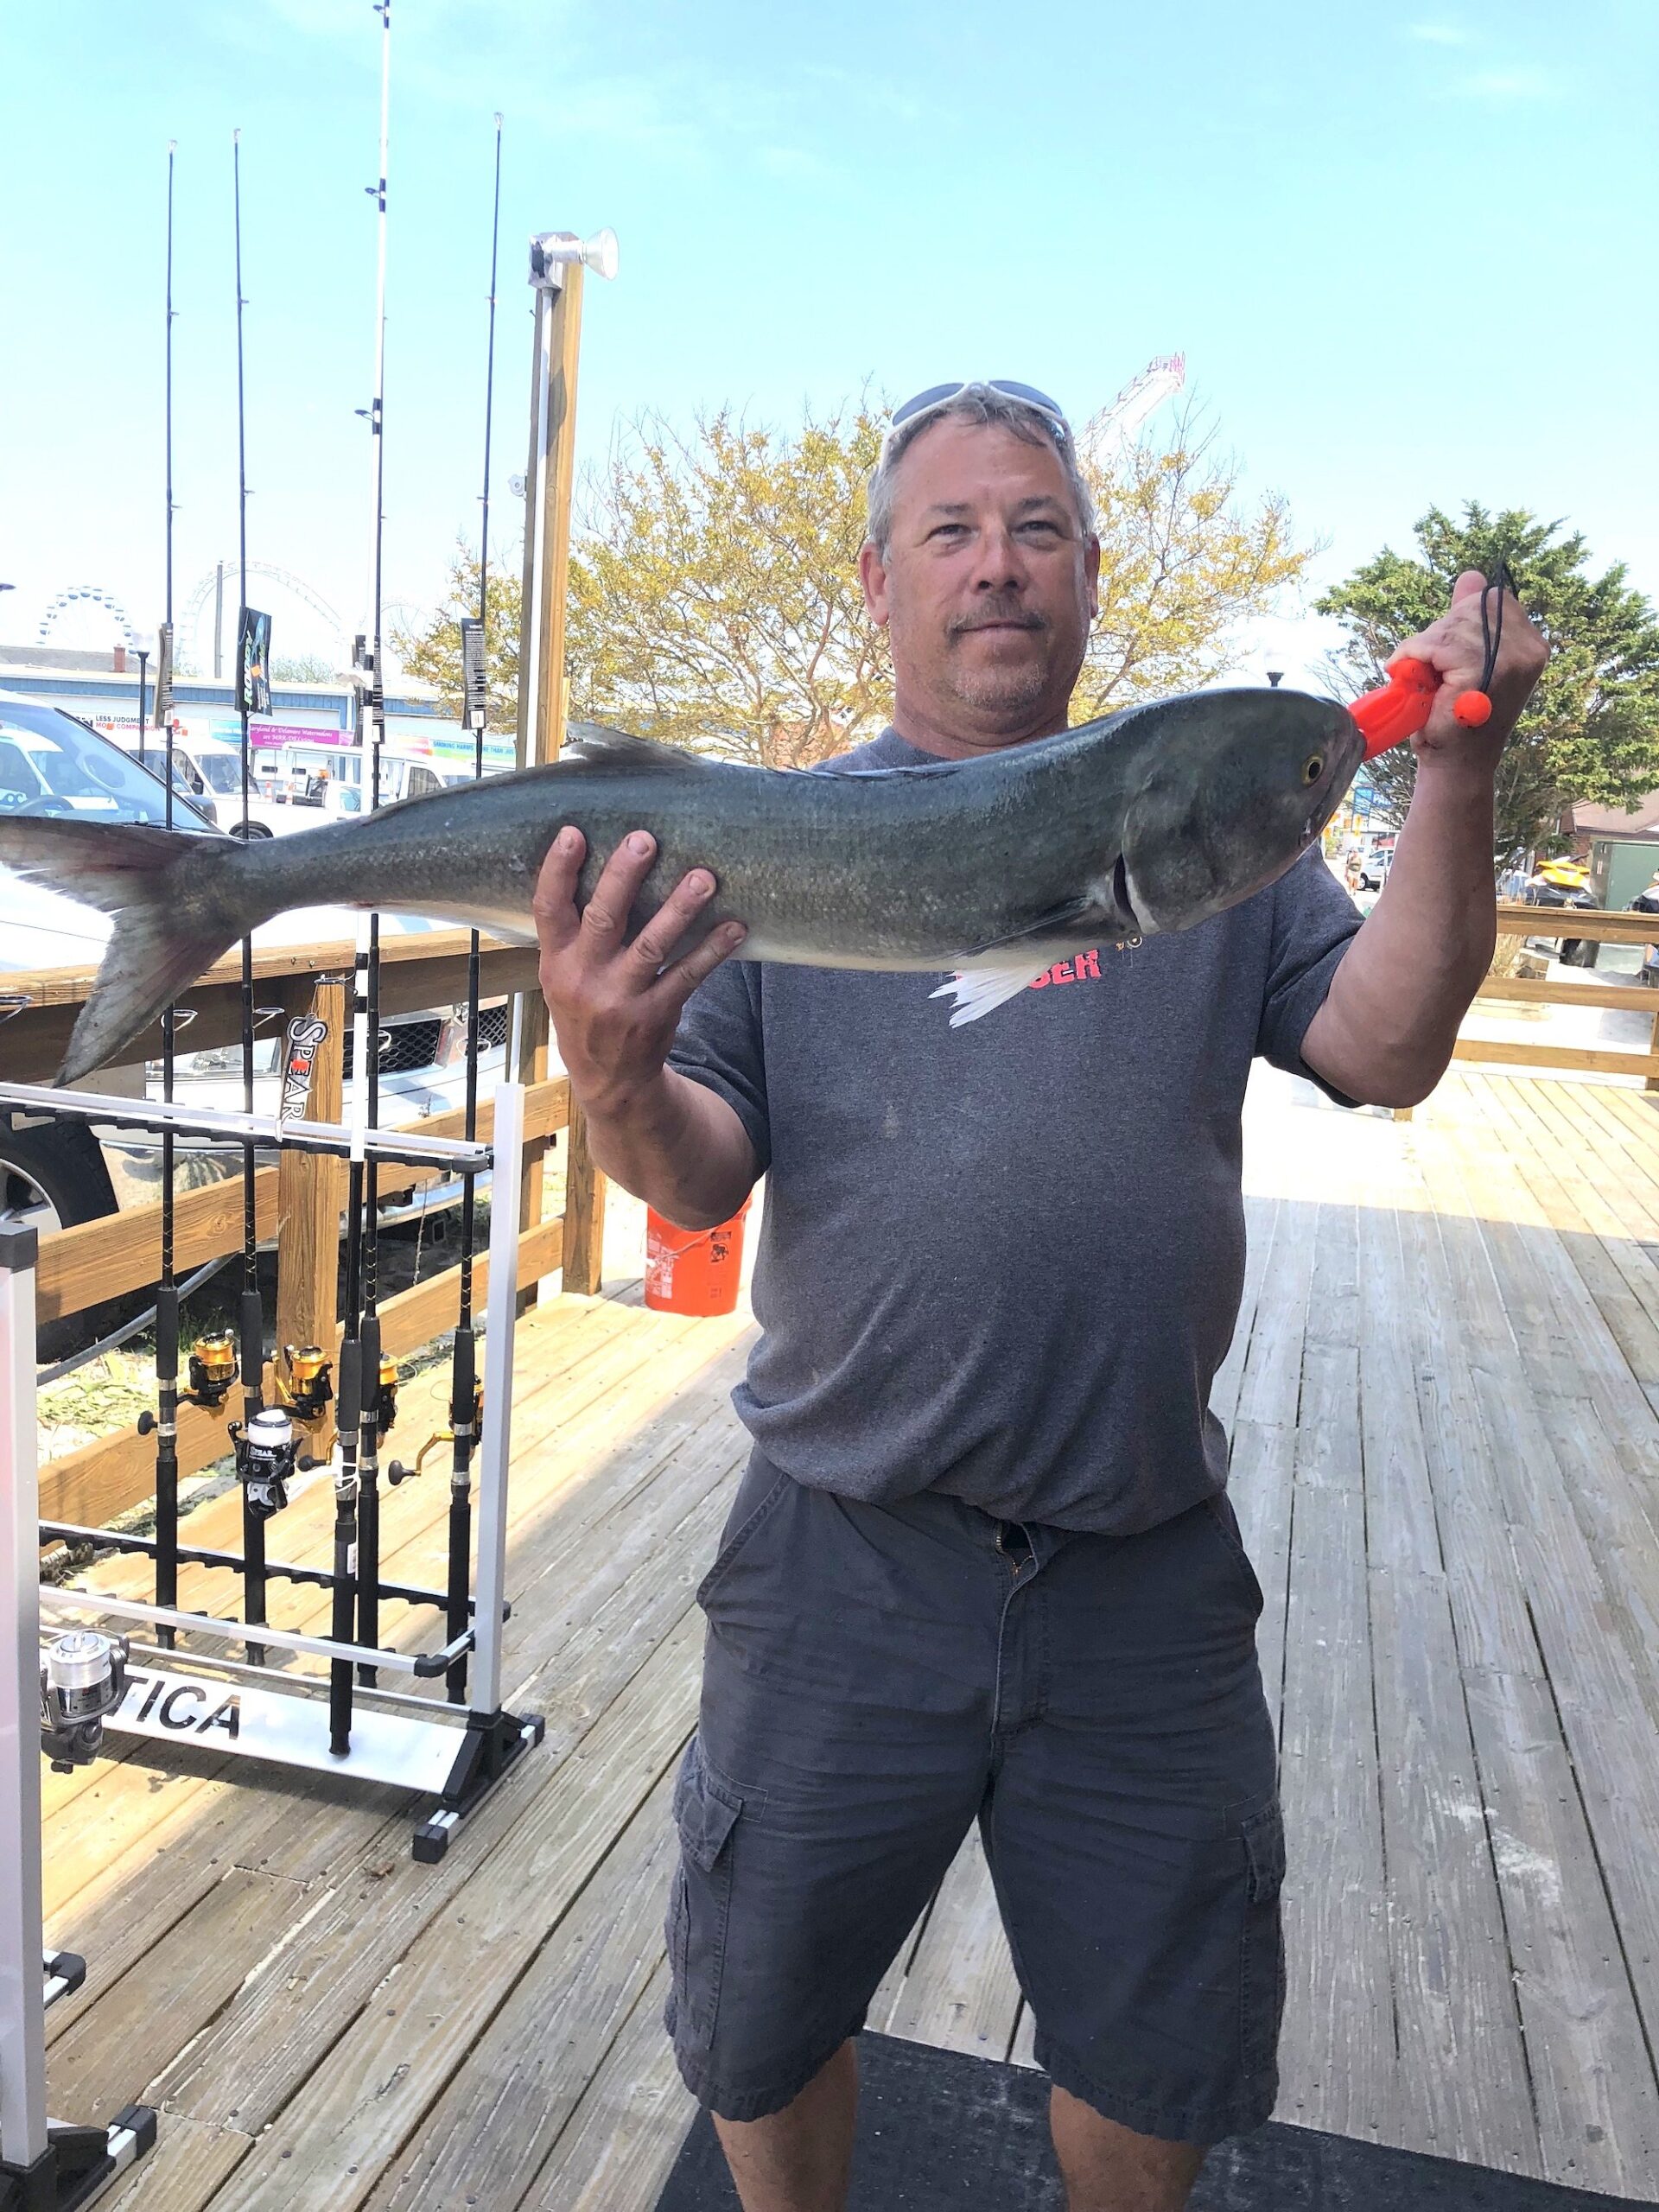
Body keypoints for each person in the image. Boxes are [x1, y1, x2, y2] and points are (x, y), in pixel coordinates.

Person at [531, 382, 1548, 2212]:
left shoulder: (1204, 824)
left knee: (1157, 2050)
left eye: (1039, 529)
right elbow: (700, 1171)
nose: (999, 566)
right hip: (841, 1547)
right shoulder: (769, 845)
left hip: (1138, 1559)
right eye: (954, 531)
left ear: (1088, 574)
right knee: (765, 2016)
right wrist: (610, 1071)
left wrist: (1453, 771)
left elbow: (1386, 1047)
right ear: (877, 582)